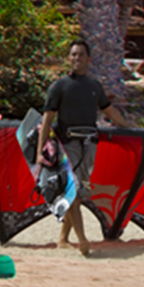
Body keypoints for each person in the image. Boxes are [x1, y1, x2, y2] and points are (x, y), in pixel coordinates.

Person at [41, 39, 120, 252]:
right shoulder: (59, 86)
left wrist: (131, 128)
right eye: (74, 54)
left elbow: (110, 111)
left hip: (89, 146)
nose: (77, 58)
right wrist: (40, 152)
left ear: (88, 59)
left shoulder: (94, 86)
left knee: (79, 192)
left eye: (81, 54)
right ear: (68, 58)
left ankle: (62, 239)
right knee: (73, 190)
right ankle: (82, 239)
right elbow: (47, 120)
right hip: (67, 146)